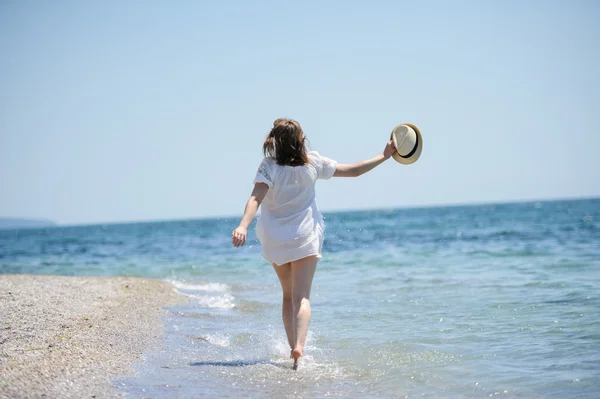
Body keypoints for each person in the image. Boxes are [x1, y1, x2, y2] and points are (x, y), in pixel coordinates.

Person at [232, 118, 396, 370]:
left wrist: (243, 225)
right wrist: (384, 156)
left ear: (275, 142)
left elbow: (256, 198)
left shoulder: (269, 167)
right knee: (303, 298)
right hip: (305, 237)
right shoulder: (313, 162)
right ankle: (300, 347)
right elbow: (353, 170)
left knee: (288, 296)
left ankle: (291, 350)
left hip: (276, 239)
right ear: (300, 140)